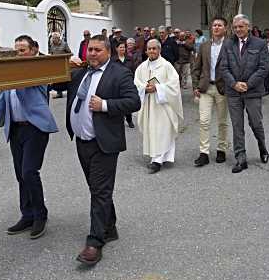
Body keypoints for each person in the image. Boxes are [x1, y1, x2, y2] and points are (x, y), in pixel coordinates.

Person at [66, 35, 140, 265]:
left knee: (99, 190)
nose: (92, 54)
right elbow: (58, 84)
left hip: (103, 143)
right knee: (98, 188)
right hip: (82, 141)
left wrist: (105, 105)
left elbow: (133, 102)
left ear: (108, 51)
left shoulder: (119, 73)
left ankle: (95, 242)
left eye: (97, 50)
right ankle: (110, 227)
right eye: (89, 50)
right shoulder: (81, 73)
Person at [0, 35, 58, 239]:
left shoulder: (40, 70)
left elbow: (29, 90)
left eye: (22, 50)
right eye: (16, 50)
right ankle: (27, 215)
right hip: (16, 130)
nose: (18, 53)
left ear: (34, 50)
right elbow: (1, 103)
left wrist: (12, 76)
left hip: (35, 128)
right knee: (20, 175)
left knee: (29, 172)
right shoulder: (10, 73)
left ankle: (40, 215)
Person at [220, 14, 269, 173]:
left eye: (241, 27)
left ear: (248, 27)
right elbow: (224, 67)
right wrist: (234, 84)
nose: (238, 30)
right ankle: (240, 157)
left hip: (253, 91)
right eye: (235, 27)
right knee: (237, 125)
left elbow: (263, 68)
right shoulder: (228, 44)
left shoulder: (260, 44)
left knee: (256, 122)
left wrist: (248, 84)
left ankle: (262, 146)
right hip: (233, 92)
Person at [134, 39, 183, 173]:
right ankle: (157, 156)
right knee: (152, 130)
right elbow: (136, 82)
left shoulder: (166, 66)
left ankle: (157, 160)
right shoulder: (142, 67)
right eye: (149, 49)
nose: (151, 51)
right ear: (146, 51)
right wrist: (144, 88)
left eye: (154, 48)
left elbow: (174, 84)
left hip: (163, 106)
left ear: (159, 50)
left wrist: (158, 88)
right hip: (149, 105)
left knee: (162, 131)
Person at [192, 18, 229, 167]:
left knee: (222, 122)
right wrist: (195, 85)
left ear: (225, 28)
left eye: (219, 25)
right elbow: (197, 67)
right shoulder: (204, 46)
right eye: (214, 25)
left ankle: (221, 149)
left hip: (223, 89)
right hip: (206, 88)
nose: (216, 27)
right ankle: (204, 153)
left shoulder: (230, 45)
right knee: (204, 121)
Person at [115, 41, 137, 128]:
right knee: (118, 103)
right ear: (116, 49)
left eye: (123, 47)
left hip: (127, 84)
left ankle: (129, 120)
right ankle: (119, 120)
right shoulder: (113, 60)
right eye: (120, 47)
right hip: (116, 85)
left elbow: (133, 71)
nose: (122, 49)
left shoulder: (129, 59)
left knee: (127, 102)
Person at [49, 32, 72, 98]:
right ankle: (59, 93)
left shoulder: (64, 44)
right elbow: (52, 53)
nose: (53, 40)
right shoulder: (52, 45)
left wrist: (67, 60)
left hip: (63, 64)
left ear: (58, 38)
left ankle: (69, 91)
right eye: (52, 38)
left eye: (54, 38)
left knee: (64, 80)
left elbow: (69, 53)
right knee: (57, 80)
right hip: (55, 65)